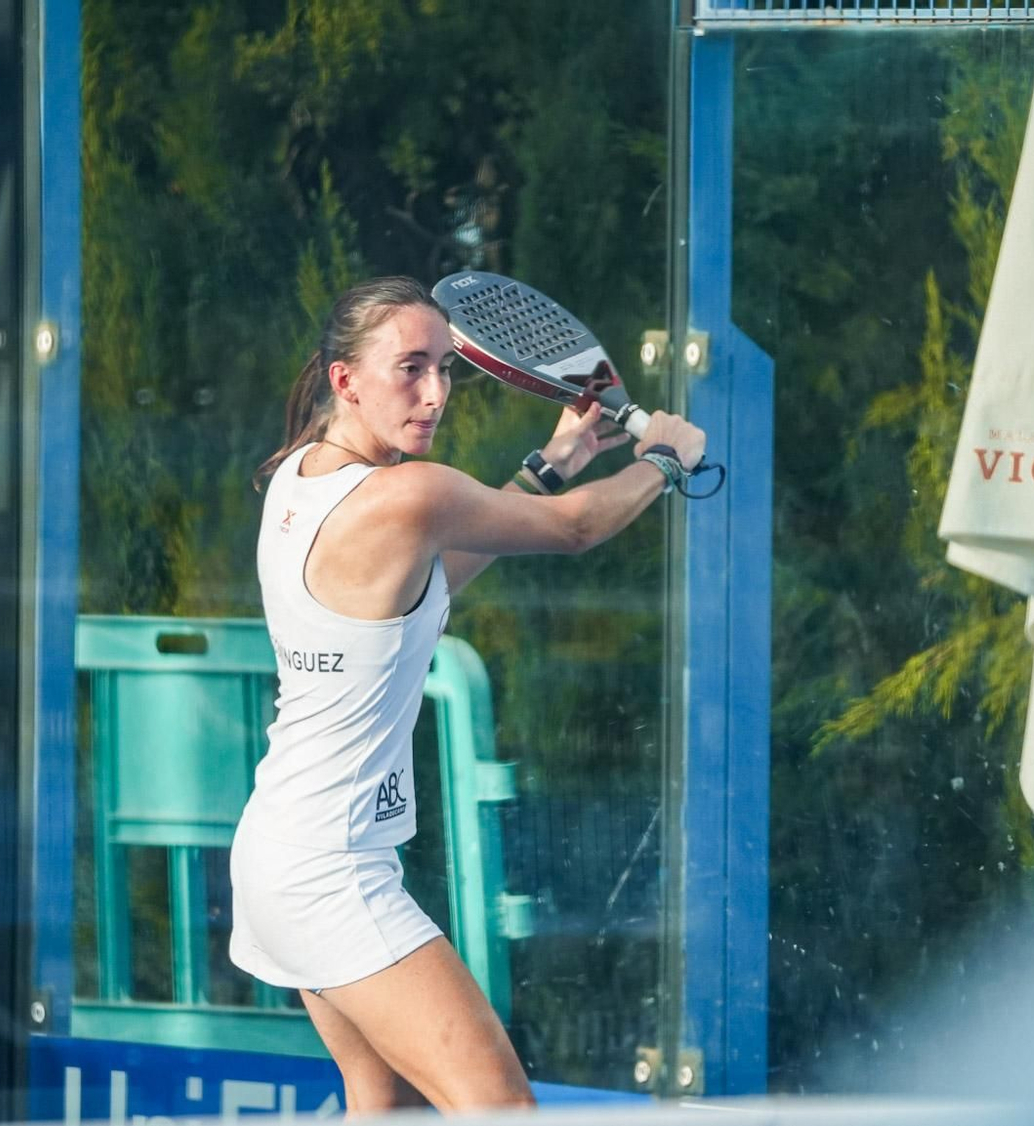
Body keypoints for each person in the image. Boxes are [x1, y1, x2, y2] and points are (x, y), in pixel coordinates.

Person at [229, 276, 707, 1114]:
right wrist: (665, 460)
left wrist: (555, 460)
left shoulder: (299, 478)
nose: (435, 393)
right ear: (345, 379)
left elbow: (438, 573)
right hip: (330, 874)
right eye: (410, 368)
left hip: (278, 855)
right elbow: (577, 531)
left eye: (446, 369)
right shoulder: (412, 494)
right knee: (503, 1111)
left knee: (385, 1108)